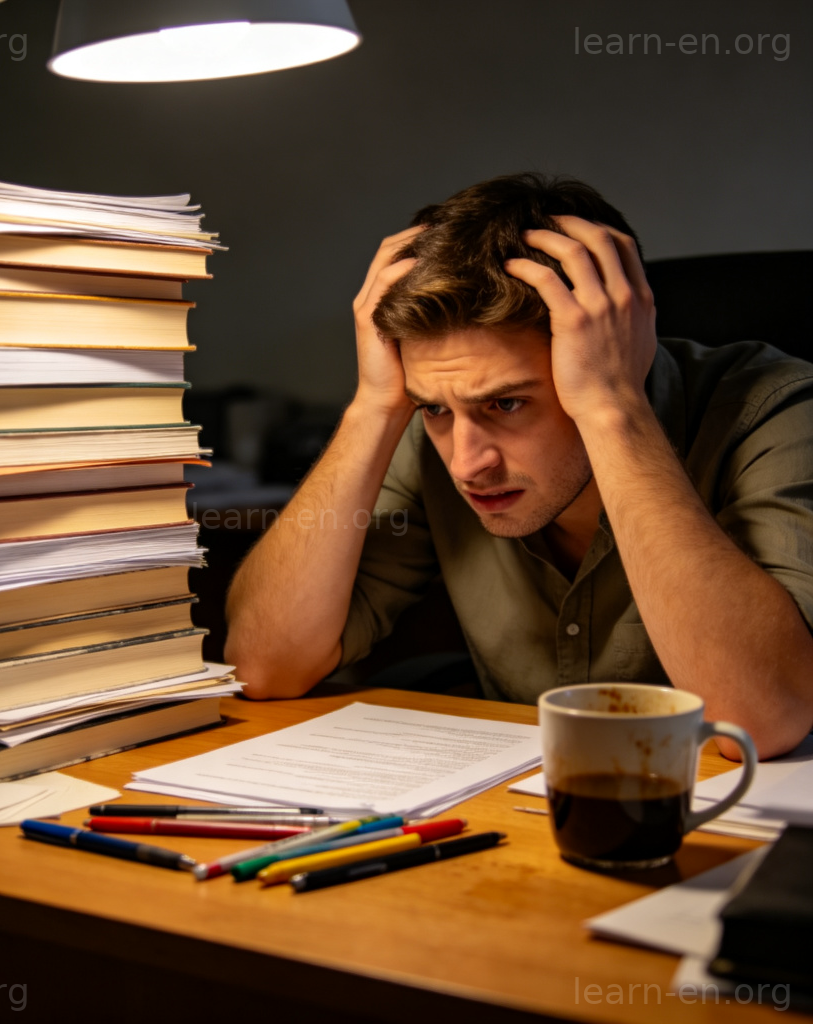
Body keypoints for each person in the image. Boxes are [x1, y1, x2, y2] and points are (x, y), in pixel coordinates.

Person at [224, 173, 813, 759]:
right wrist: (374, 407)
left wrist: (612, 407)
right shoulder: (437, 435)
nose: (466, 464)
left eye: (506, 403)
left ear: (611, 351)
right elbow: (262, 665)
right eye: (434, 407)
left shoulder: (776, 409)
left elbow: (758, 722)